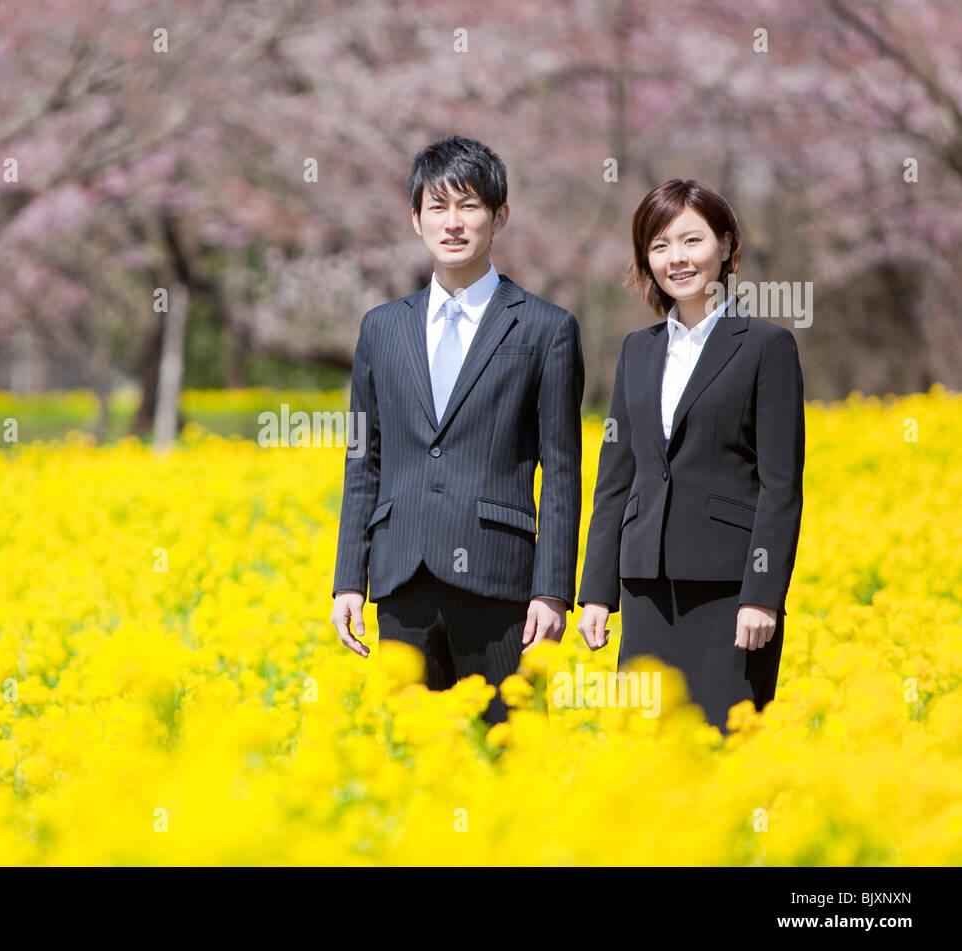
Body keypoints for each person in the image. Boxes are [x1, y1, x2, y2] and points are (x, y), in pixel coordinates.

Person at [330, 135, 584, 727]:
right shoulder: (381, 328)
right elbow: (362, 460)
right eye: (437, 207)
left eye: (468, 205)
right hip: (401, 581)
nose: (453, 223)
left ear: (499, 216)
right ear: (415, 218)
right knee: (412, 760)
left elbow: (563, 470)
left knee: (509, 753)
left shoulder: (547, 329)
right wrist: (348, 580)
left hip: (501, 584)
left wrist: (552, 591)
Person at [576, 179, 805, 733]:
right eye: (658, 245)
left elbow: (781, 486)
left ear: (726, 246)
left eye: (691, 241)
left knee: (725, 749)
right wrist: (597, 593)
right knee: (649, 755)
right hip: (645, 588)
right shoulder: (636, 350)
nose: (675, 258)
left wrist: (762, 595)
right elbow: (615, 479)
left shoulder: (765, 346)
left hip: (729, 594)